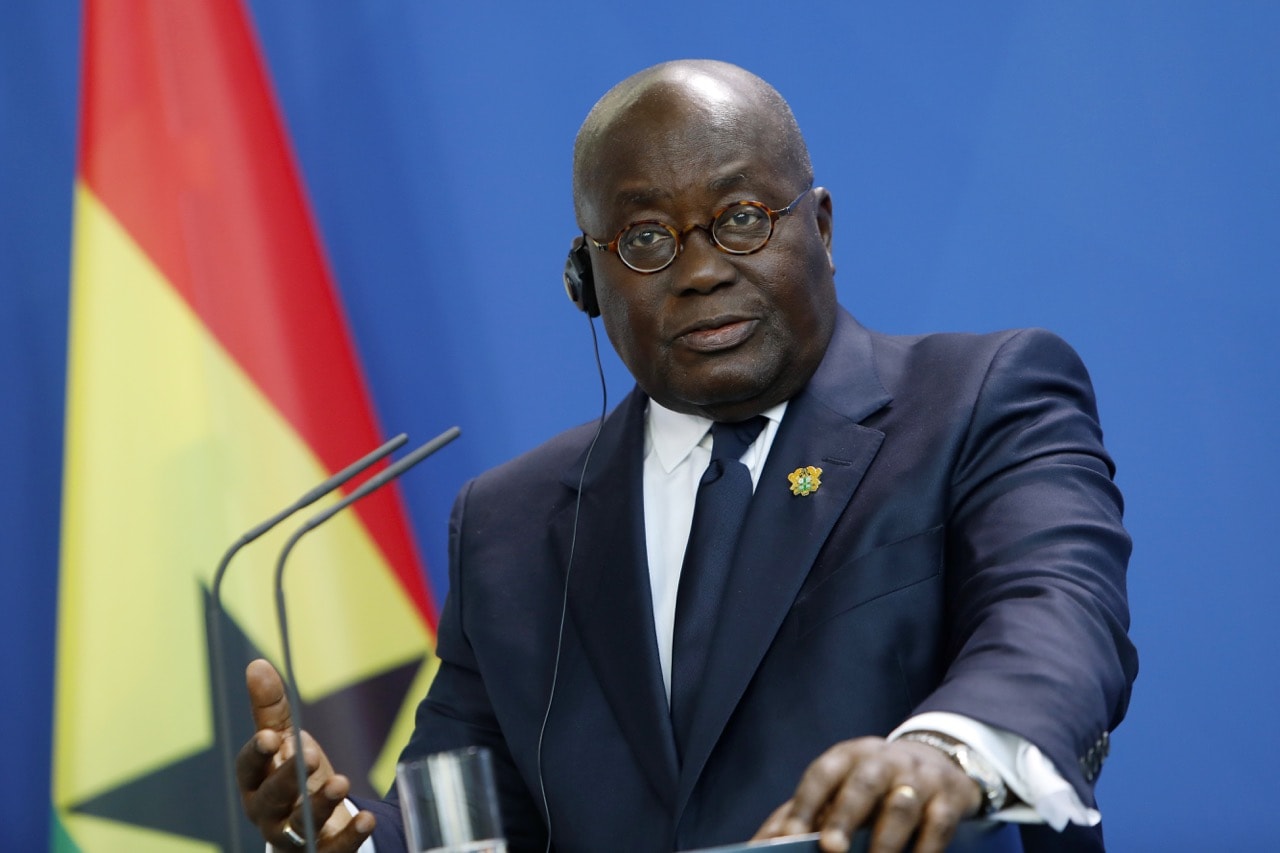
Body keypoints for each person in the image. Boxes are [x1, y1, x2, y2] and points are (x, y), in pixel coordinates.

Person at [236, 60, 1136, 853]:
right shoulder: (511, 523)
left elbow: (1057, 616)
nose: (700, 269)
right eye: (646, 240)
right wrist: (333, 834)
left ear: (819, 227)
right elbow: (462, 822)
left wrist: (942, 754)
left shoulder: (980, 399)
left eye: (742, 217)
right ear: (586, 283)